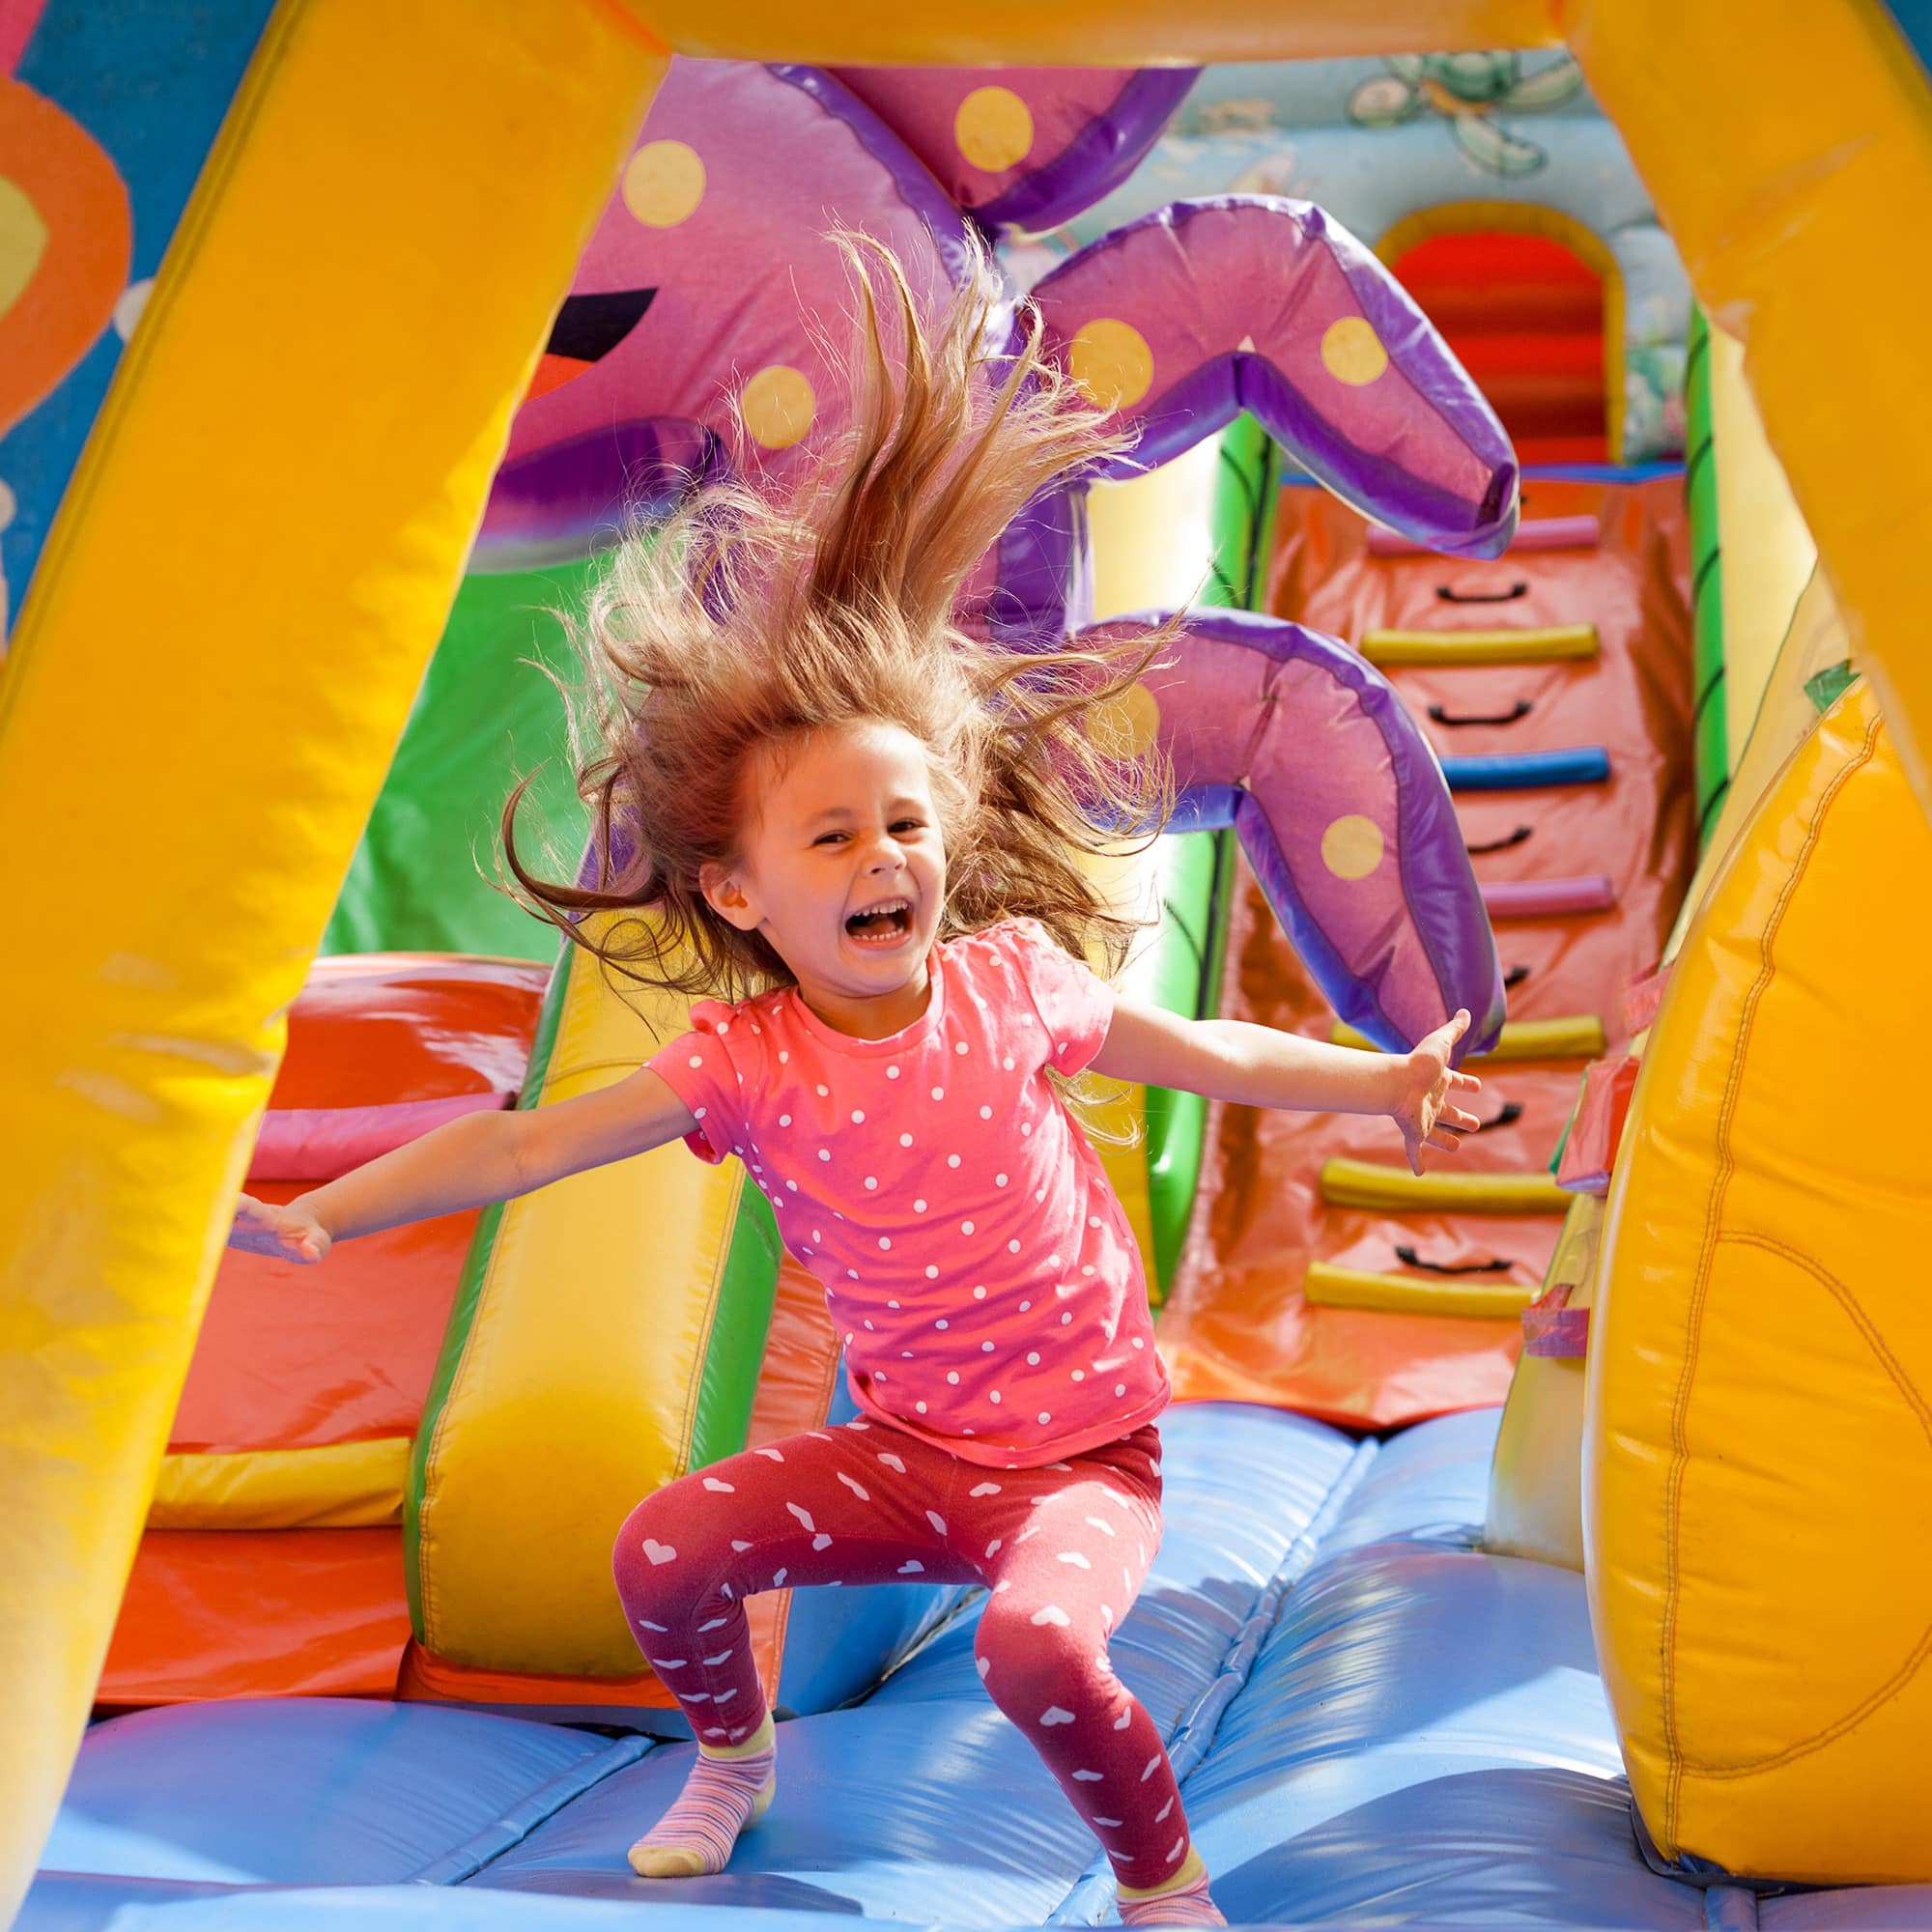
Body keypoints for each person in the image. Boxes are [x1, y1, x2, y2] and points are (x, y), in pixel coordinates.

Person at [230, 239, 1479, 1926]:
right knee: (665, 1548)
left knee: (1041, 1646)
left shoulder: (1011, 987)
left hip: (1084, 1463)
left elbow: (1214, 1052)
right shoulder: (735, 1064)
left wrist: (1377, 1086)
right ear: (742, 894)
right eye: (835, 836)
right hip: (900, 1455)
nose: (887, 856)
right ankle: (731, 1759)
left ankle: (1161, 1884)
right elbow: (524, 1146)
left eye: (908, 824)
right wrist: (320, 1219)